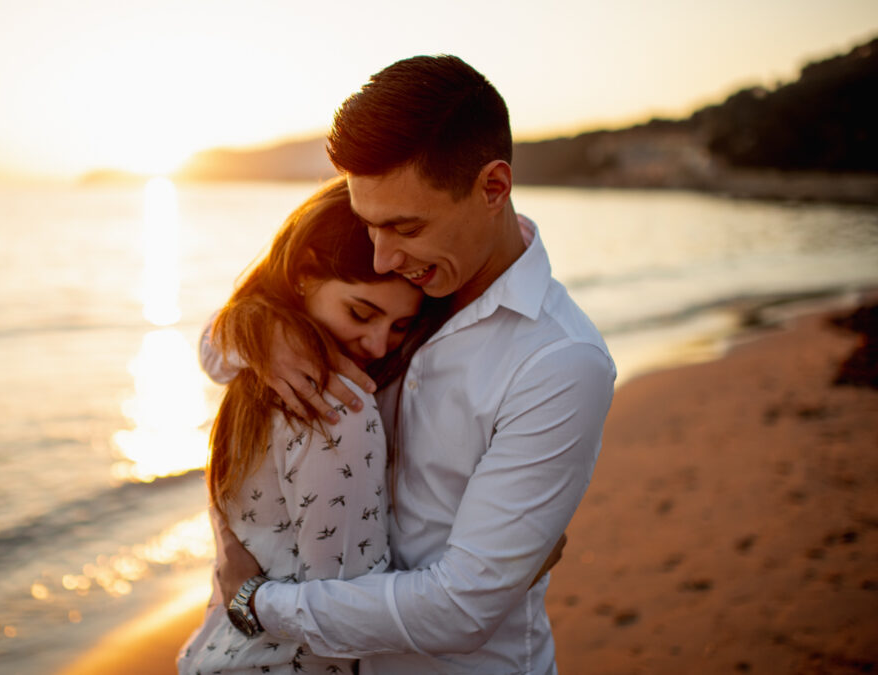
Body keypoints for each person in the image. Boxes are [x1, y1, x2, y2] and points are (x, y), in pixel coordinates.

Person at [201, 55, 616, 674]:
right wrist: (264, 331)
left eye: (405, 228)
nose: (384, 257)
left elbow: (461, 609)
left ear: (493, 188)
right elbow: (219, 345)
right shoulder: (402, 290)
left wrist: (256, 603)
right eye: (369, 225)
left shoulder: (559, 362)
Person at [177, 178, 427, 674]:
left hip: (218, 655)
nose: (378, 346)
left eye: (400, 326)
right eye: (361, 313)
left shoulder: (256, 375)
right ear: (304, 276)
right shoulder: (334, 405)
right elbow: (348, 611)